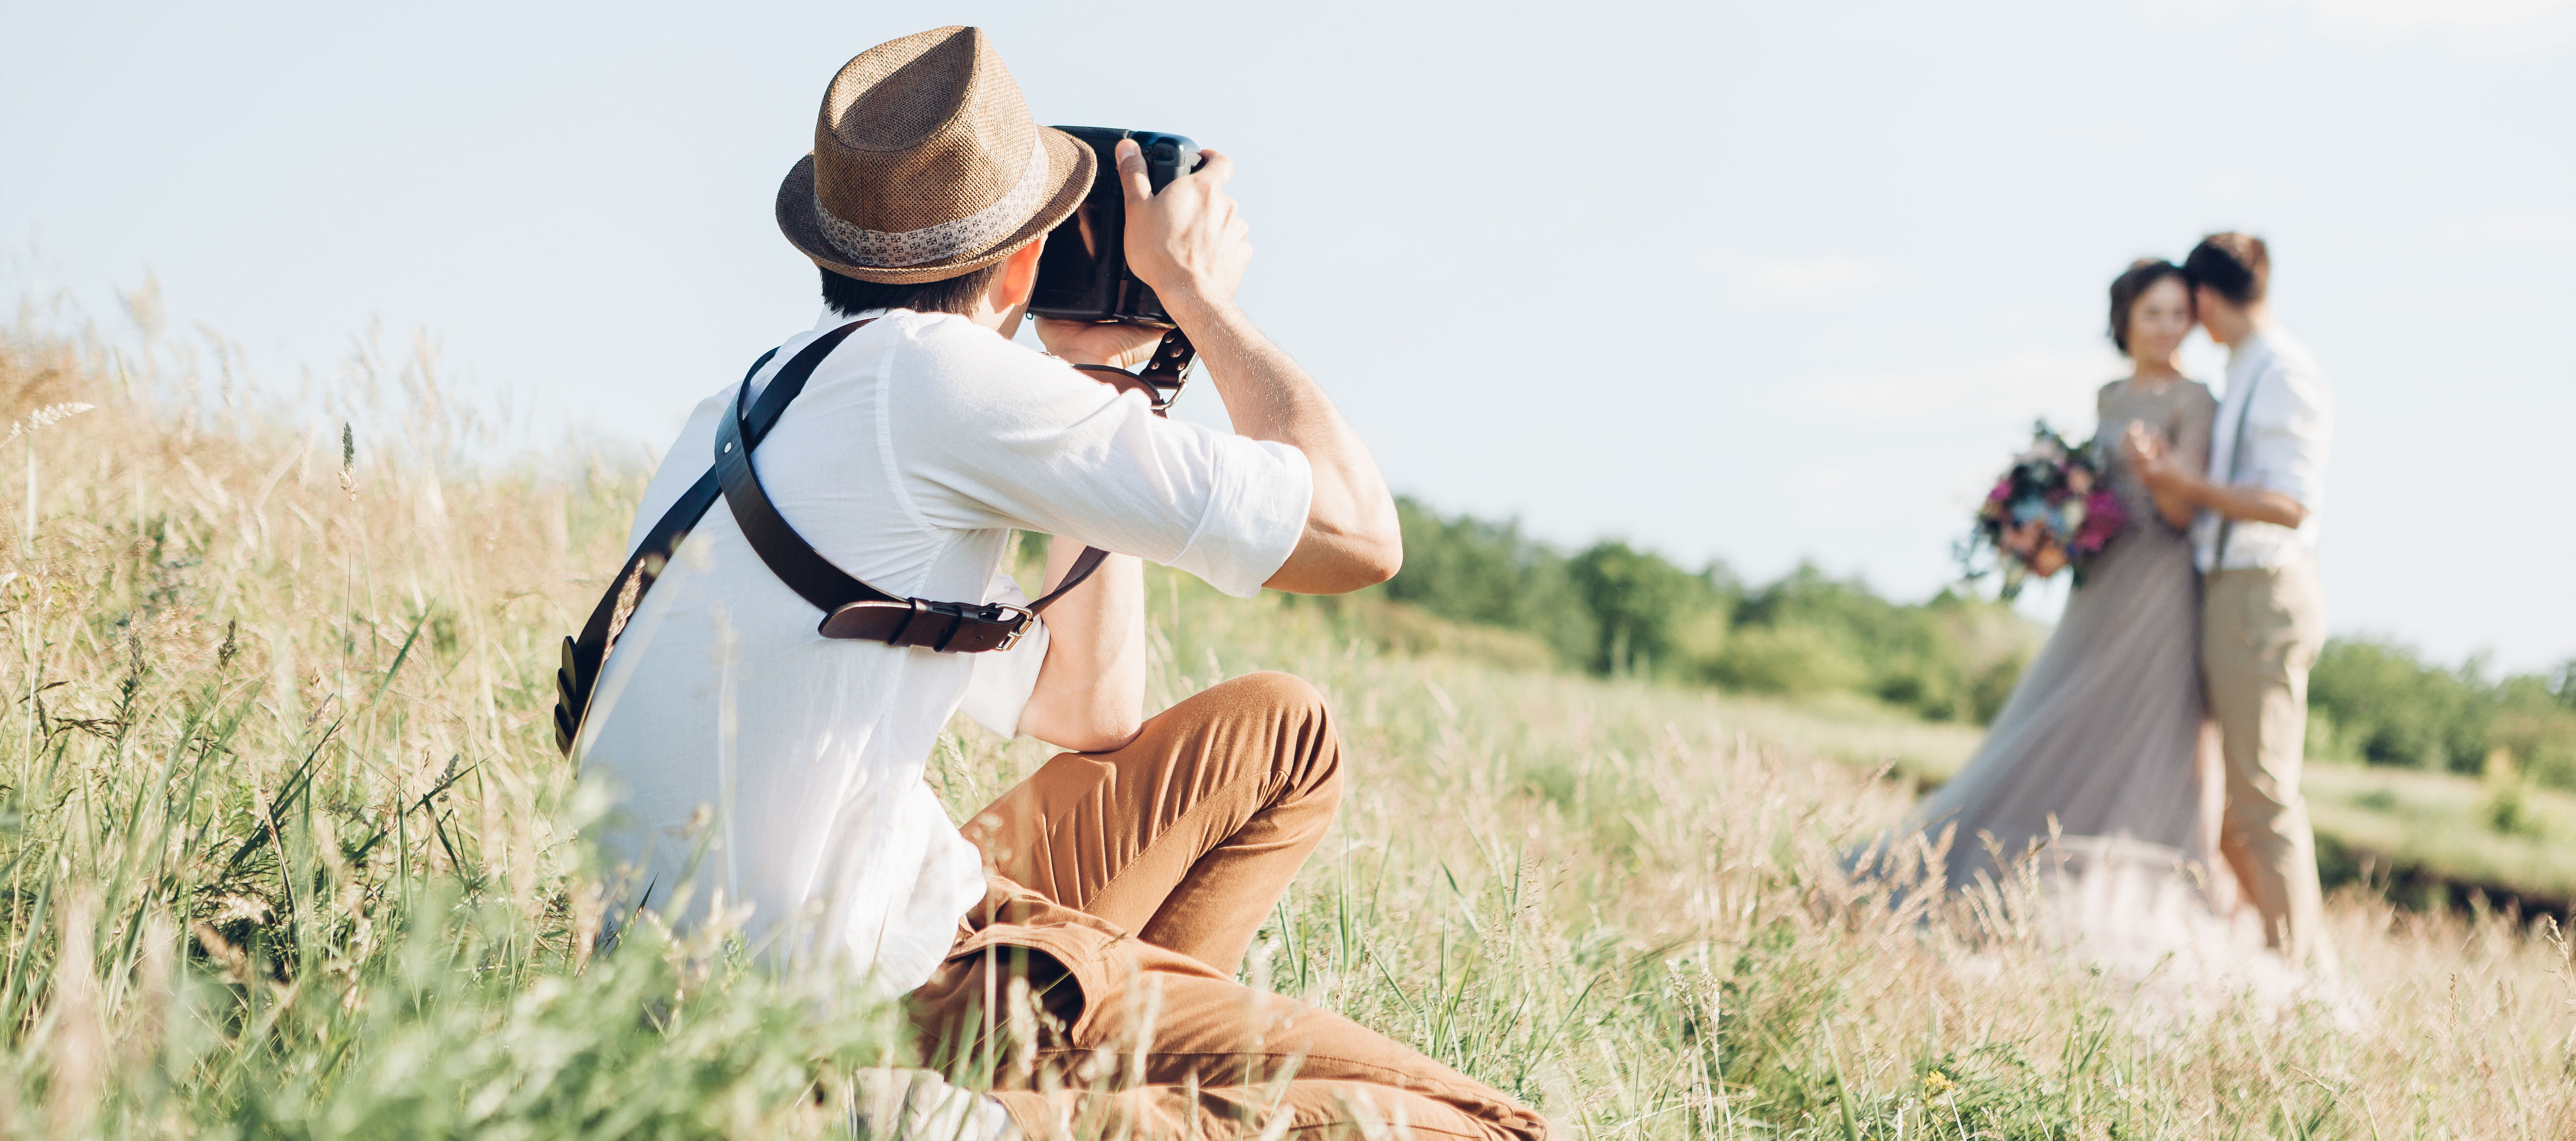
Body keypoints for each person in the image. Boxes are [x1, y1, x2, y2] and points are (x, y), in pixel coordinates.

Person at [570, 26, 1552, 1141]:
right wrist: (1193, 293)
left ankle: (1096, 1086)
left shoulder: (748, 404)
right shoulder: (939, 379)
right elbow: (1359, 535)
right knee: (1494, 1128)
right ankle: (1028, 1115)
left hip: (814, 946)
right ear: (1021, 262)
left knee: (1281, 729)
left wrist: (1105, 377)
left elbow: (1091, 711)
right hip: (846, 1024)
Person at [1869, 260, 2226, 932]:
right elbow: (2089, 491)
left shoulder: (2196, 401)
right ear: (2126, 320)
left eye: (2179, 314)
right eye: (2154, 313)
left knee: (2138, 723)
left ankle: (2115, 878)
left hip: (2160, 580)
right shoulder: (2110, 394)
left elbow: (2185, 513)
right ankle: (2001, 866)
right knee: (2058, 707)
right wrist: (2046, 531)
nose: (2168, 327)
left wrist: (2158, 474)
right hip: (2100, 577)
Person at [2127, 232, 2334, 967]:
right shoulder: (2247, 367)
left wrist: (2185, 488)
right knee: (2230, 809)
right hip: (2230, 595)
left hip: (2261, 595)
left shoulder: (2282, 371)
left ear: (2208, 300)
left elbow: (2290, 505)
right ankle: (2281, 957)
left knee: (2263, 802)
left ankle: (2304, 982)